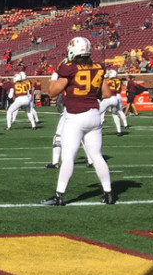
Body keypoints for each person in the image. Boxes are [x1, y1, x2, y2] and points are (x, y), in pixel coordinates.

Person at [40, 37, 115, 206]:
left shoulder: (69, 68)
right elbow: (107, 93)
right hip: (94, 116)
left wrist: (55, 76)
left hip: (75, 116)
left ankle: (59, 195)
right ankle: (108, 193)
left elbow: (52, 92)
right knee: (97, 156)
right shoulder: (98, 67)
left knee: (68, 158)